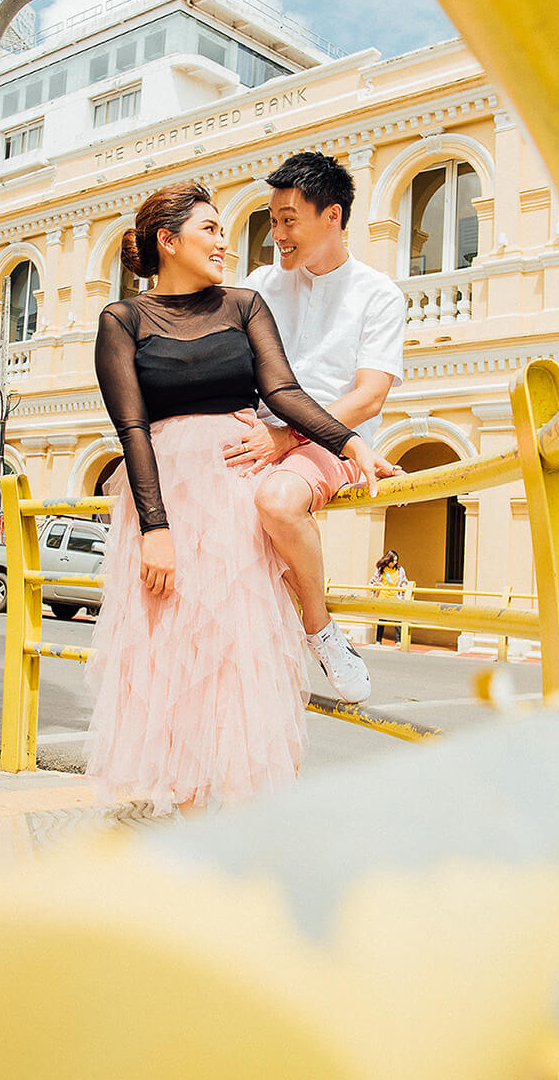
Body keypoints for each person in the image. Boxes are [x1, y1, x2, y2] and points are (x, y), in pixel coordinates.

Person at [89, 180, 399, 815]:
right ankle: (176, 788)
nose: (224, 242)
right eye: (209, 230)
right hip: (167, 492)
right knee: (167, 641)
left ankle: (231, 808)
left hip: (234, 483)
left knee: (233, 642)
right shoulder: (121, 320)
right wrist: (155, 526)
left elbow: (282, 392)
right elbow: (131, 428)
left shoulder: (245, 303)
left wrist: (347, 444)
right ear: (167, 241)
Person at [225, 150, 407, 703]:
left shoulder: (379, 294)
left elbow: (369, 396)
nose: (276, 234)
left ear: (333, 217)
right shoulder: (261, 282)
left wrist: (287, 436)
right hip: (255, 431)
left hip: (328, 438)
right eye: (272, 220)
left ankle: (322, 633)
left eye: (289, 221)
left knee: (278, 503)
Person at [372, 549, 408, 643]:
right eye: (393, 560)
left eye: (396, 560)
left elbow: (405, 580)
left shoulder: (400, 570)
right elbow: (373, 582)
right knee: (382, 619)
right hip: (383, 597)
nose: (394, 563)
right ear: (388, 560)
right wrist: (378, 585)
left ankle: (398, 641)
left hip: (396, 597)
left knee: (397, 619)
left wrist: (404, 585)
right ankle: (378, 640)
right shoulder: (381, 570)